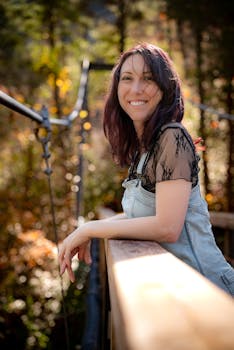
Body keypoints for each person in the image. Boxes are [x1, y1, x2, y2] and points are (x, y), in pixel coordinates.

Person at [59, 43, 234, 296]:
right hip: (180, 291)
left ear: (165, 88)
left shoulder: (172, 137)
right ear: (117, 88)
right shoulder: (145, 149)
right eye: (127, 78)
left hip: (213, 292)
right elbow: (138, 217)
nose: (136, 88)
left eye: (148, 79)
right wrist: (89, 228)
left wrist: (90, 229)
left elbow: (167, 227)